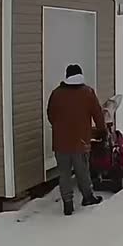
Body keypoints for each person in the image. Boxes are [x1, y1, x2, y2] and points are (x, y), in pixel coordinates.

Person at [46, 64, 106, 215]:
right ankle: (87, 197)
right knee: (82, 171)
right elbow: (98, 114)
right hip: (81, 141)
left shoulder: (56, 94)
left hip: (60, 143)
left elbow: (50, 115)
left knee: (64, 174)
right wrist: (102, 131)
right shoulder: (87, 93)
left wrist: (60, 128)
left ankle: (67, 203)